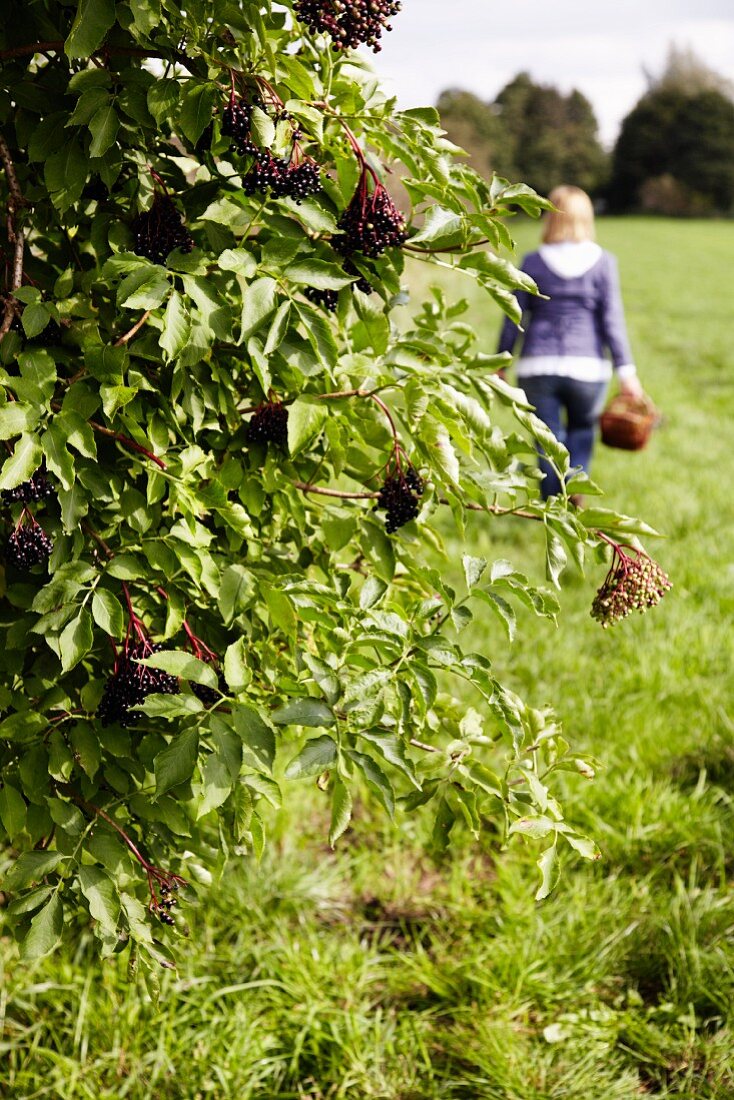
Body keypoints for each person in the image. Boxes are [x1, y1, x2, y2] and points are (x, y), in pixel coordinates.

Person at [496, 185, 643, 500]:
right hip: (587, 368)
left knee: (547, 442)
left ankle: (550, 508)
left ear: (551, 218)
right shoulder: (603, 262)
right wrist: (627, 372)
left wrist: (500, 360)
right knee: (580, 433)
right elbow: (611, 320)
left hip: (538, 366)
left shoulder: (533, 262)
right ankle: (571, 495)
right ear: (587, 219)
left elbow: (514, 315)